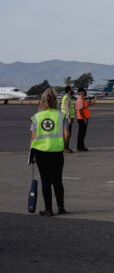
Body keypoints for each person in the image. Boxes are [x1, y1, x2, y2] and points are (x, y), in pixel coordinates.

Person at [30, 87, 69, 216]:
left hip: (41, 153)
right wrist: (63, 145)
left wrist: (32, 155)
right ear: (55, 101)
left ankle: (48, 209)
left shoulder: (36, 117)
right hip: (57, 152)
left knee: (45, 181)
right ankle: (61, 207)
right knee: (57, 180)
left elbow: (33, 138)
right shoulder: (61, 115)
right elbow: (67, 134)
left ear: (42, 100)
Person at [60, 85, 76, 153]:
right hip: (66, 118)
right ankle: (64, 148)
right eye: (71, 89)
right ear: (69, 90)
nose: (72, 90)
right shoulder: (66, 98)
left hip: (68, 118)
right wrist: (69, 118)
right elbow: (67, 109)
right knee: (67, 134)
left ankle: (66, 147)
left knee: (68, 134)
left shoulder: (69, 97)